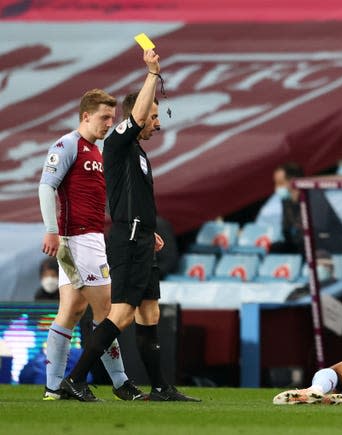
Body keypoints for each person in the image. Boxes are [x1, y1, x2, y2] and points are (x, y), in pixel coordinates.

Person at [60, 49, 199, 402]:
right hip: (128, 239)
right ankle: (74, 379)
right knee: (120, 314)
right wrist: (152, 74)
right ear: (135, 117)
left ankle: (161, 387)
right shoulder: (119, 142)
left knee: (149, 312)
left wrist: (149, 228)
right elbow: (136, 116)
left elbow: (131, 196)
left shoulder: (136, 152)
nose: (157, 122)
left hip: (139, 235)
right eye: (153, 116)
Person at [38, 88, 145, 401]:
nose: (108, 123)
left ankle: (54, 388)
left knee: (71, 310)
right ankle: (120, 382)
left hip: (84, 239)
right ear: (85, 116)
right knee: (107, 310)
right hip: (78, 239)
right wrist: (51, 230)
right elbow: (46, 187)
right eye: (103, 117)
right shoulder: (68, 144)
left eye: (112, 118)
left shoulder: (95, 151)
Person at [269, 162, 342, 262]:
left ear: (293, 181)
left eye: (280, 183)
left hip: (332, 241)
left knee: (312, 244)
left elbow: (317, 229)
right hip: (305, 242)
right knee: (276, 248)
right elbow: (286, 228)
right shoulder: (286, 201)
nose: (276, 188)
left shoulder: (314, 195)